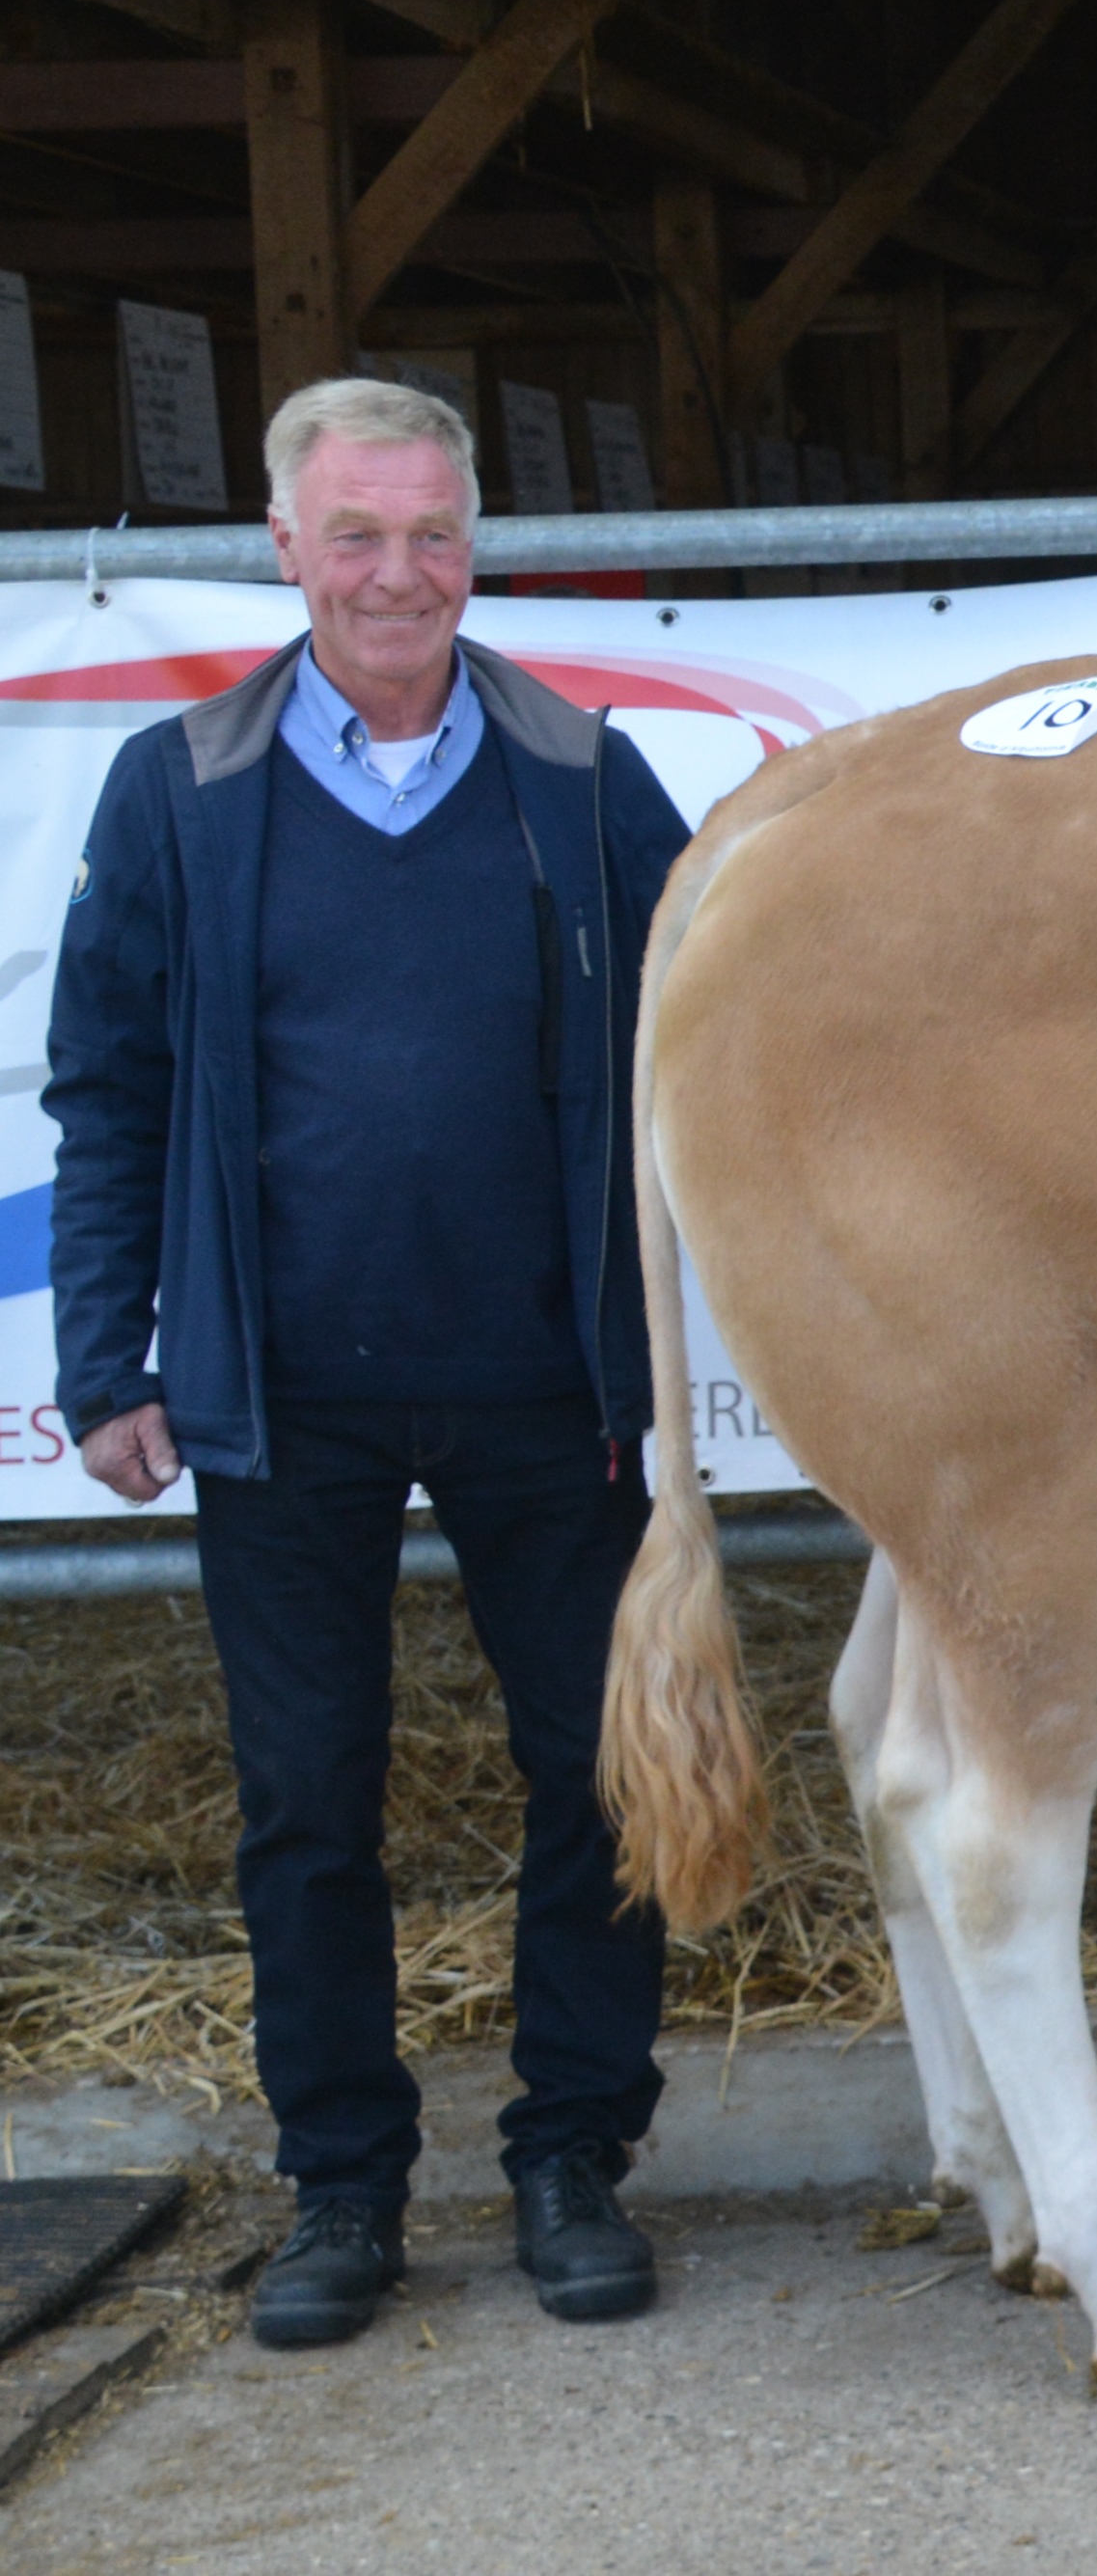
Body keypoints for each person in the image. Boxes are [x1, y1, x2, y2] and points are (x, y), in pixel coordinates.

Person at [48, 377, 698, 2348]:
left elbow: (702, 1050)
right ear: (285, 546)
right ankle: (343, 2186)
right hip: (282, 1390)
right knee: (305, 1795)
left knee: (595, 1773)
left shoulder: (583, 776)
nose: (396, 573)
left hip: (547, 1383)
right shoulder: (180, 789)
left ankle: (572, 2156)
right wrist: (107, 1359)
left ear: (472, 544)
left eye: (430, 534)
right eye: (356, 535)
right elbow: (109, 1087)